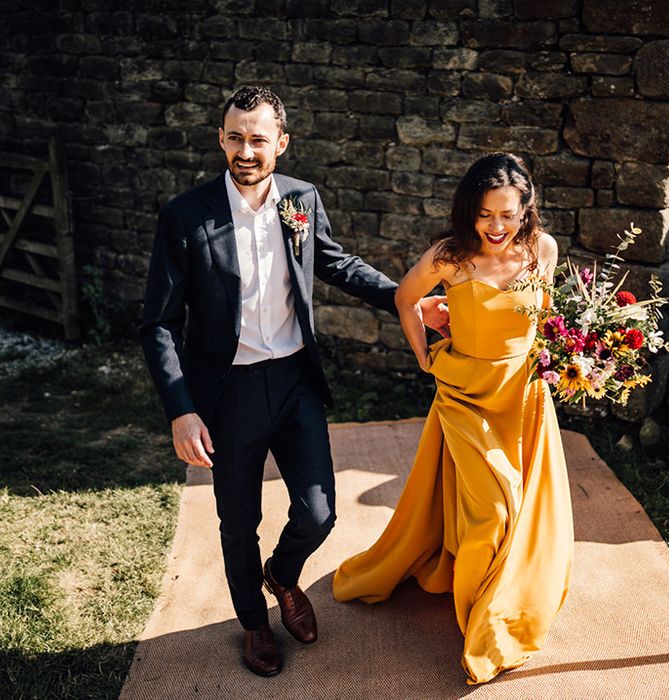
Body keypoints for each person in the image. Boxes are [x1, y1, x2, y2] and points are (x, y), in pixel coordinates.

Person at [140, 85, 448, 678]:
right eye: (235, 137)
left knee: (318, 513)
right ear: (221, 139)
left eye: (258, 139)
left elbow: (334, 263)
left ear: (281, 142)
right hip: (225, 395)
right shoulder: (185, 215)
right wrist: (181, 409)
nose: (246, 150)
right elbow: (157, 323)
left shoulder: (300, 201)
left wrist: (410, 303)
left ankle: (282, 575)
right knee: (239, 520)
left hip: (294, 381)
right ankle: (254, 622)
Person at [333, 152, 574, 685]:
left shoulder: (542, 249)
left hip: (524, 397)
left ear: (526, 210)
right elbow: (404, 298)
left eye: (508, 214)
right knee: (491, 509)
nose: (496, 226)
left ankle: (503, 601)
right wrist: (424, 356)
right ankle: (480, 621)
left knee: (517, 508)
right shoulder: (450, 256)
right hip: (465, 396)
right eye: (486, 214)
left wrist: (568, 360)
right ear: (470, 211)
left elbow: (546, 317)